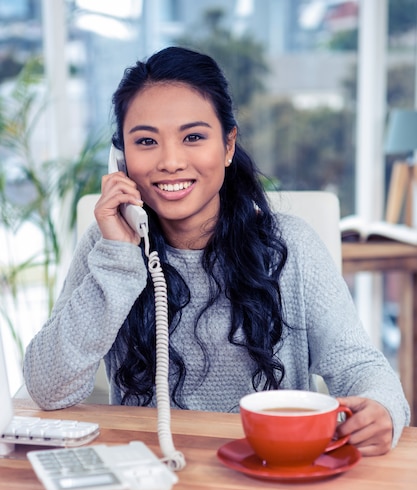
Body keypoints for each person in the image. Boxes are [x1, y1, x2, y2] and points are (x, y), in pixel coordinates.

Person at [23, 46, 409, 456]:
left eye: (193, 137)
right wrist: (120, 259)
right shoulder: (109, 248)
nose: (170, 161)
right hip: (151, 474)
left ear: (227, 146)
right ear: (121, 159)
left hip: (270, 474)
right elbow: (49, 389)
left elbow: (360, 366)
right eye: (146, 141)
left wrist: (382, 409)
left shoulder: (291, 245)